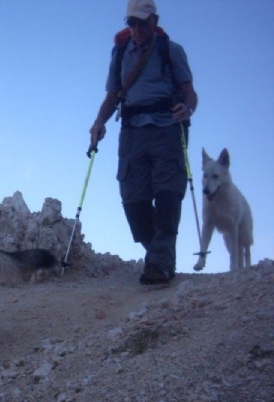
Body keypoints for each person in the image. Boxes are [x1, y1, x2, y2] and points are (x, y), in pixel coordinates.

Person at [89, 0, 198, 285]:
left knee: (167, 194)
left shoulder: (171, 50)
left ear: (154, 21)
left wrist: (187, 109)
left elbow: (190, 94)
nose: (136, 29)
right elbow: (112, 97)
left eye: (141, 22)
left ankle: (159, 264)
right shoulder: (120, 53)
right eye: (131, 23)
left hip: (167, 129)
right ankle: (161, 257)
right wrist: (99, 122)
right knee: (133, 201)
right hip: (132, 132)